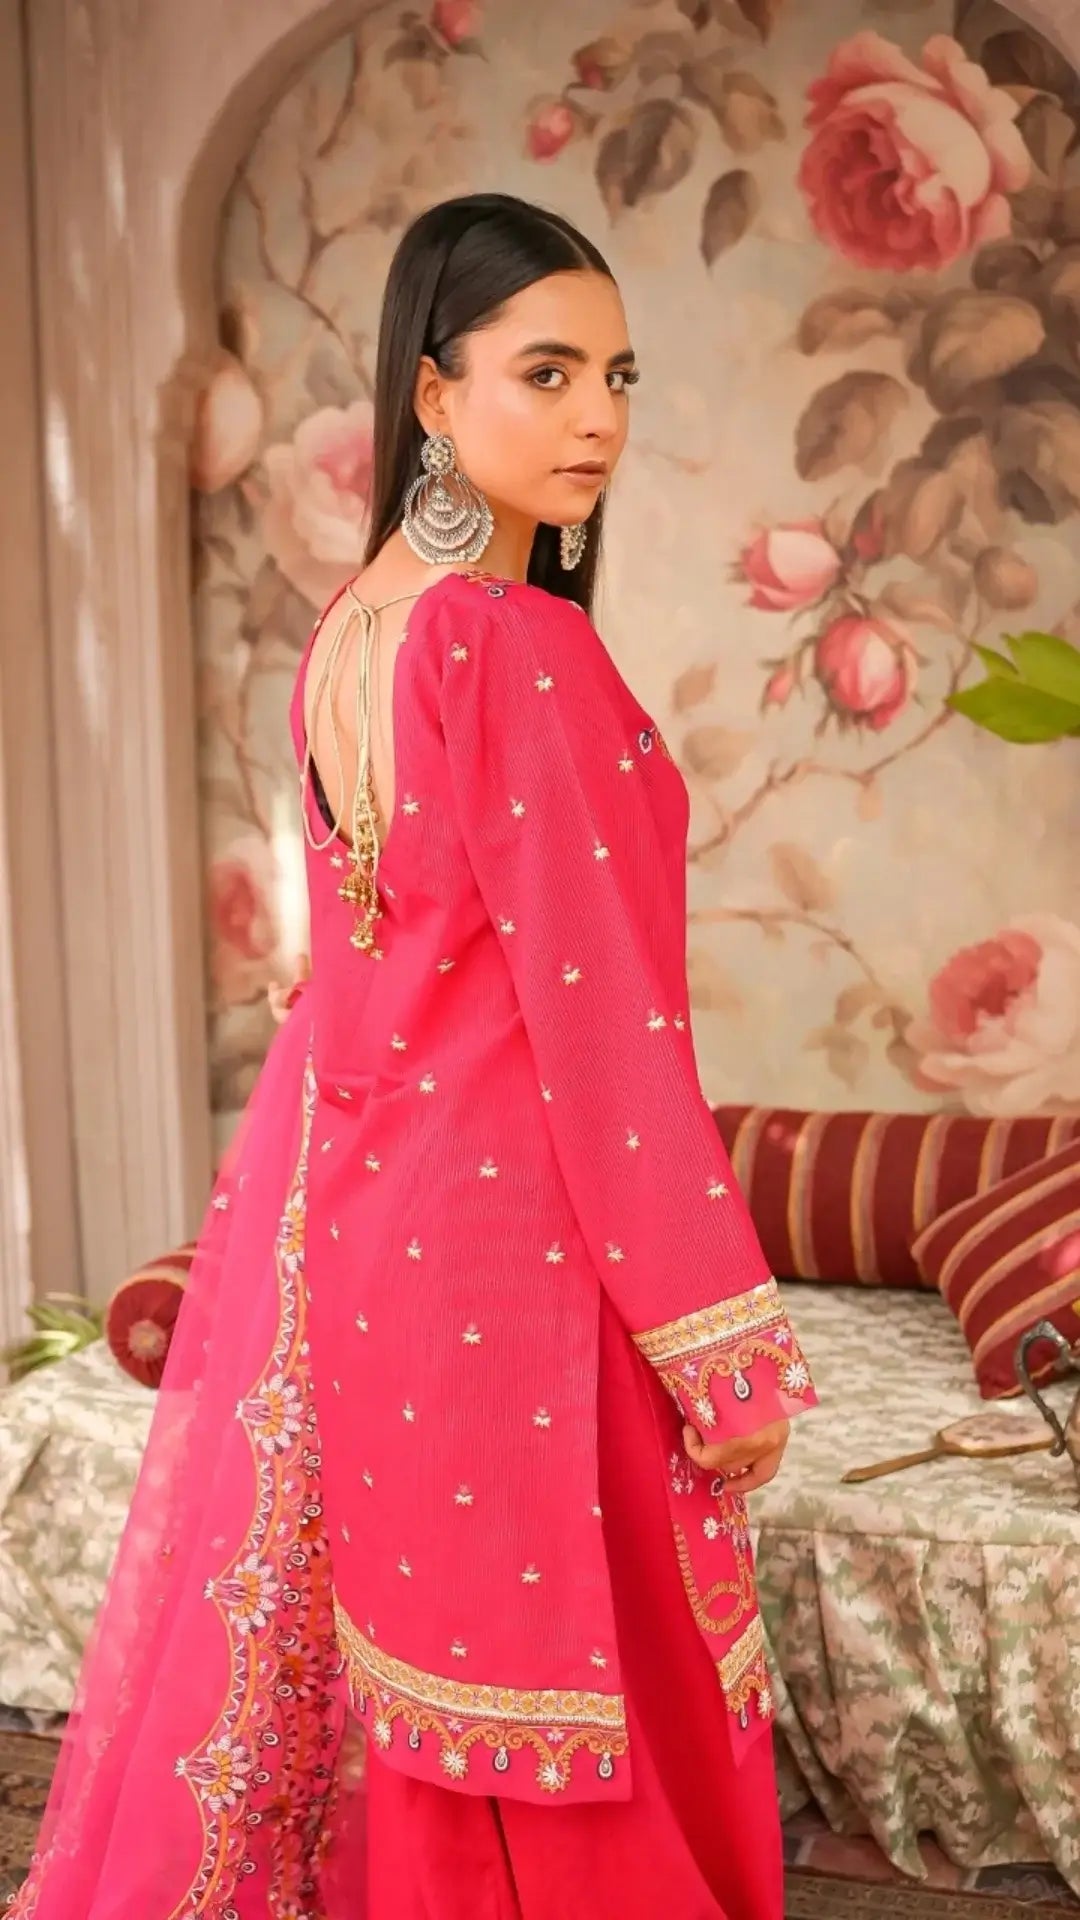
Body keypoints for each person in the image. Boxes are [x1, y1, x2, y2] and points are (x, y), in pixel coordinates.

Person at [10, 193, 816, 1920]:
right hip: (529, 1250)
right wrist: (725, 1349)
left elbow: (364, 998)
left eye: (616, 373)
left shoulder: (354, 626)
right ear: (434, 395)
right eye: (546, 371)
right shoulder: (509, 640)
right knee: (577, 1696)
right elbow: (605, 1035)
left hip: (377, 1235)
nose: (598, 414)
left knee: (440, 1684)